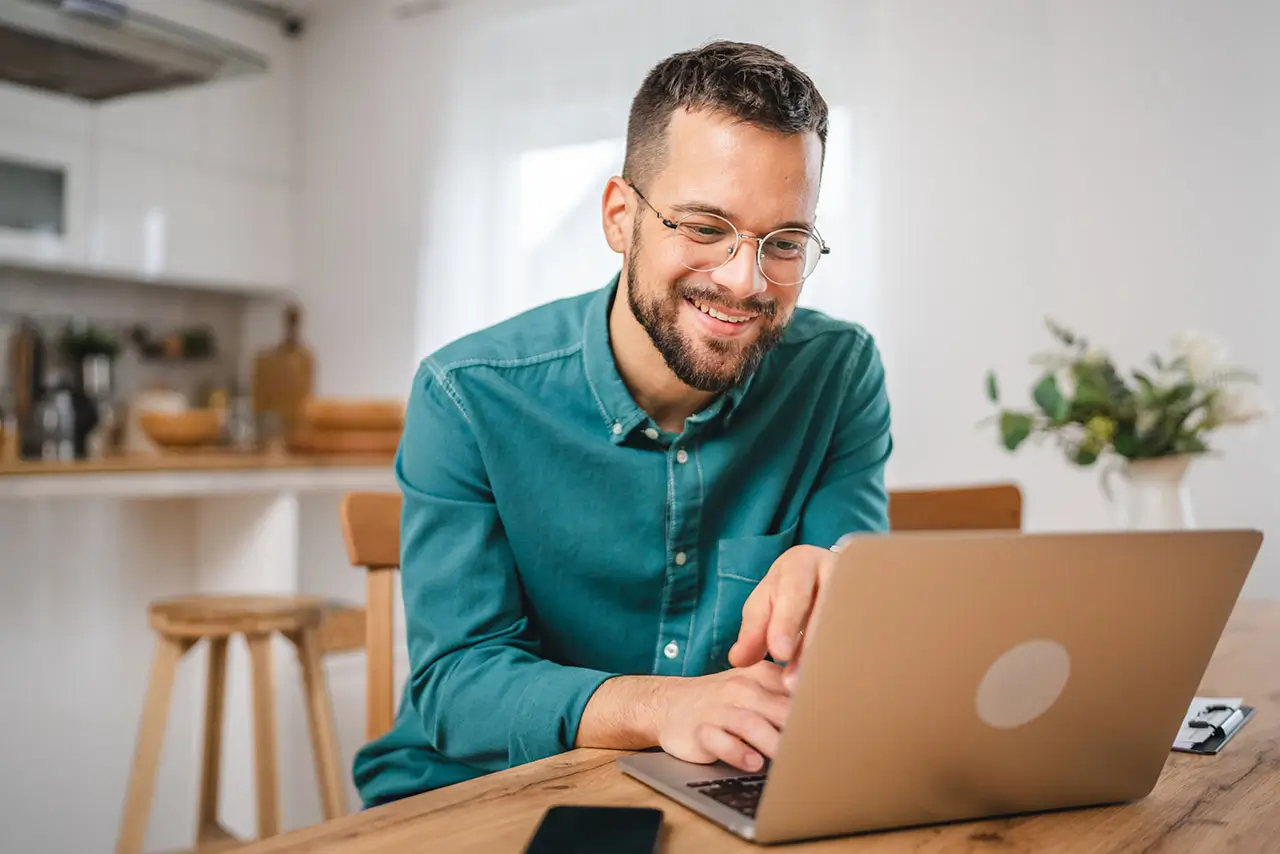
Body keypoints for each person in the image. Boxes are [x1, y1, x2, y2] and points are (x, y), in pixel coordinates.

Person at [353, 40, 892, 807]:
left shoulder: (838, 374)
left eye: (786, 242)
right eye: (705, 227)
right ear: (619, 217)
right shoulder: (467, 394)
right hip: (483, 791)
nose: (745, 280)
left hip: (722, 788)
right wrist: (667, 707)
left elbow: (851, 617)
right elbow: (457, 686)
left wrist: (843, 579)